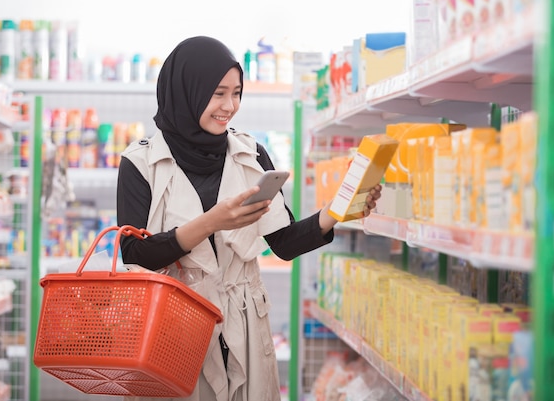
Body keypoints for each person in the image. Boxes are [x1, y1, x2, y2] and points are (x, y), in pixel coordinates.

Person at [116, 35, 382, 401]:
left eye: (237, 93)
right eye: (218, 94)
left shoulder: (251, 153)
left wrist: (336, 211)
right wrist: (210, 223)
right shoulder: (140, 162)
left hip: (244, 326)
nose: (230, 106)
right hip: (176, 328)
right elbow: (134, 254)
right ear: (186, 90)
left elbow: (284, 243)